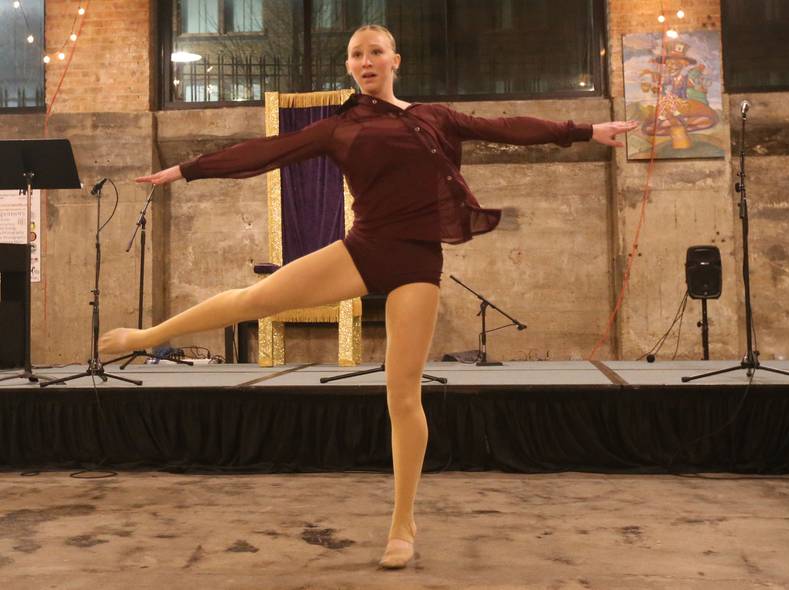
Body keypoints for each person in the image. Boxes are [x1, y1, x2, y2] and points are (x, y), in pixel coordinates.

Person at [100, 24, 638, 569]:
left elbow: (507, 127)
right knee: (253, 300)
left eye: (375, 52)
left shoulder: (435, 116)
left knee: (402, 394)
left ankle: (402, 523)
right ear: (349, 67)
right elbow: (265, 152)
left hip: (417, 262)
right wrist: (186, 169)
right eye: (356, 54)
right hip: (364, 248)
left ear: (394, 60)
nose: (366, 61)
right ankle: (150, 335)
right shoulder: (338, 127)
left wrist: (585, 129)